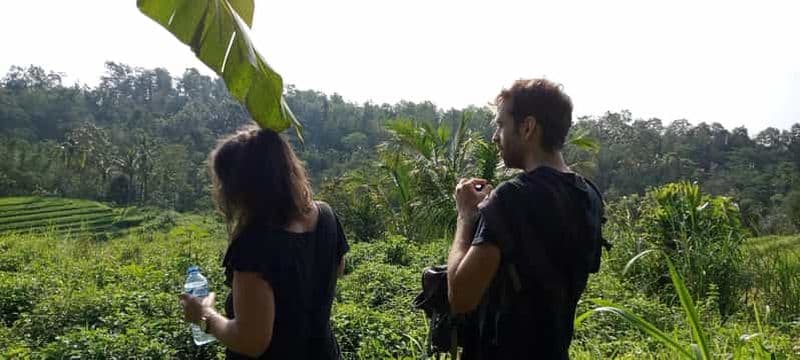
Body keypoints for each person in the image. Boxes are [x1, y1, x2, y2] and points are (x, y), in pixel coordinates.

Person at [446, 79, 605, 359]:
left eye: (501, 125)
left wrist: (466, 216)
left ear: (527, 127)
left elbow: (461, 296)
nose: (495, 136)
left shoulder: (512, 198)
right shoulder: (589, 196)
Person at [179, 126, 349, 359]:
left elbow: (252, 341)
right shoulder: (326, 216)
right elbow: (338, 268)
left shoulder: (254, 245)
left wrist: (205, 316)